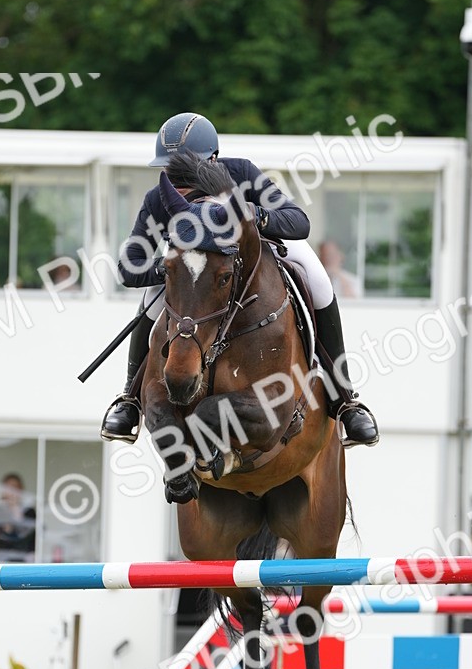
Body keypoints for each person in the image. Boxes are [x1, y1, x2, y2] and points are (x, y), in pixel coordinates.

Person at [101, 112, 379, 449]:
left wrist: (257, 215)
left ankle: (344, 397)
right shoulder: (158, 200)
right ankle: (130, 399)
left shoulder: (242, 173)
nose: (178, 182)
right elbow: (129, 267)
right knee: (150, 301)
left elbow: (298, 222)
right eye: (169, 172)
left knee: (317, 279)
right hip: (193, 277)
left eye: (186, 172)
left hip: (255, 258)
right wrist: (170, 268)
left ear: (214, 161)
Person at [0, 473, 36, 561]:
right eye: (8, 488)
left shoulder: (29, 511)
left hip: (24, 557)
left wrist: (16, 511)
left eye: (15, 488)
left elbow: (31, 534)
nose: (12, 492)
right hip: (2, 556)